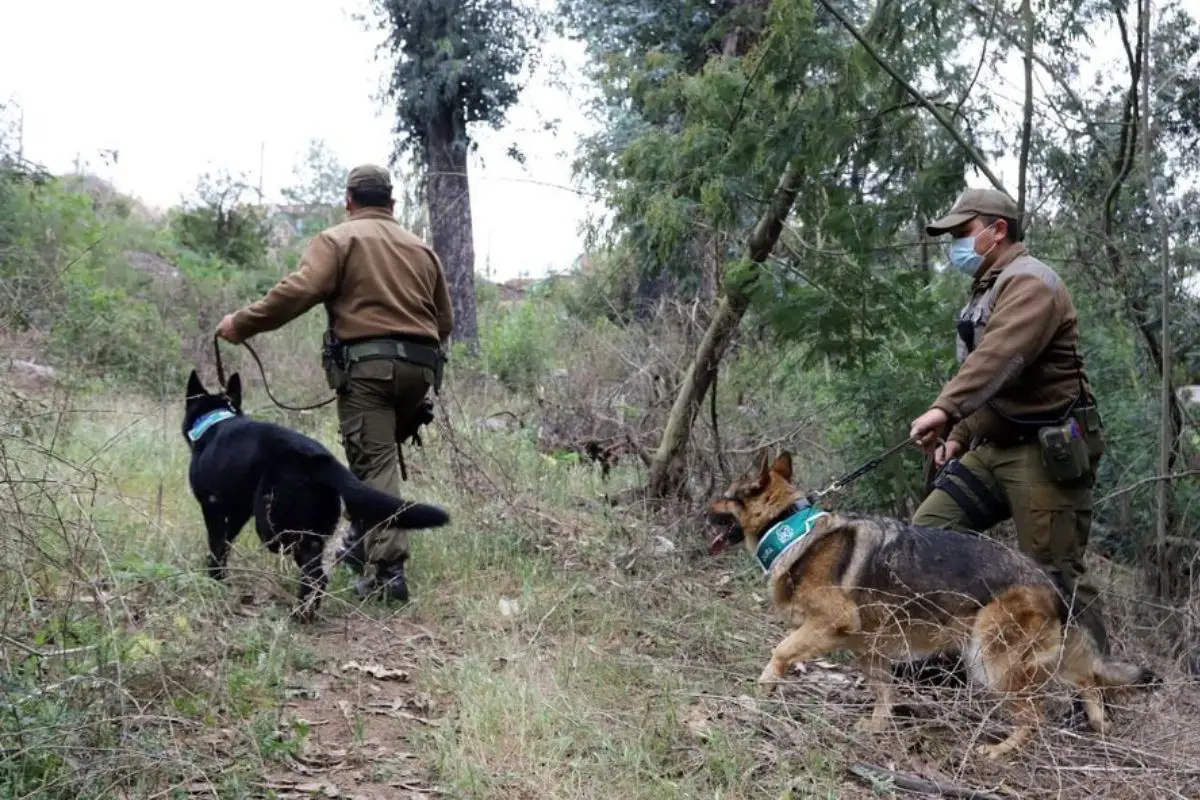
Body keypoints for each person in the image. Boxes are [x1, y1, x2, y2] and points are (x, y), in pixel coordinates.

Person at [904, 188, 1110, 699]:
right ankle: (941, 666)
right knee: (927, 537)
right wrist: (956, 435)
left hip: (1045, 452)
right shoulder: (985, 288)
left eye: (962, 231)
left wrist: (945, 408)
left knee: (1054, 575)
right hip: (992, 449)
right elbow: (992, 385)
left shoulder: (1032, 283)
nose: (955, 243)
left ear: (997, 230)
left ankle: (1097, 690)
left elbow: (998, 359)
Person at [216, 163, 454, 603]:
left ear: (349, 201)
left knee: (374, 465)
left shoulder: (338, 239)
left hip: (368, 369)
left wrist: (242, 323)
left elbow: (300, 291)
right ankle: (359, 544)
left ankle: (388, 572)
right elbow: (445, 321)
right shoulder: (423, 249)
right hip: (421, 372)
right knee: (376, 459)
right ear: (392, 203)